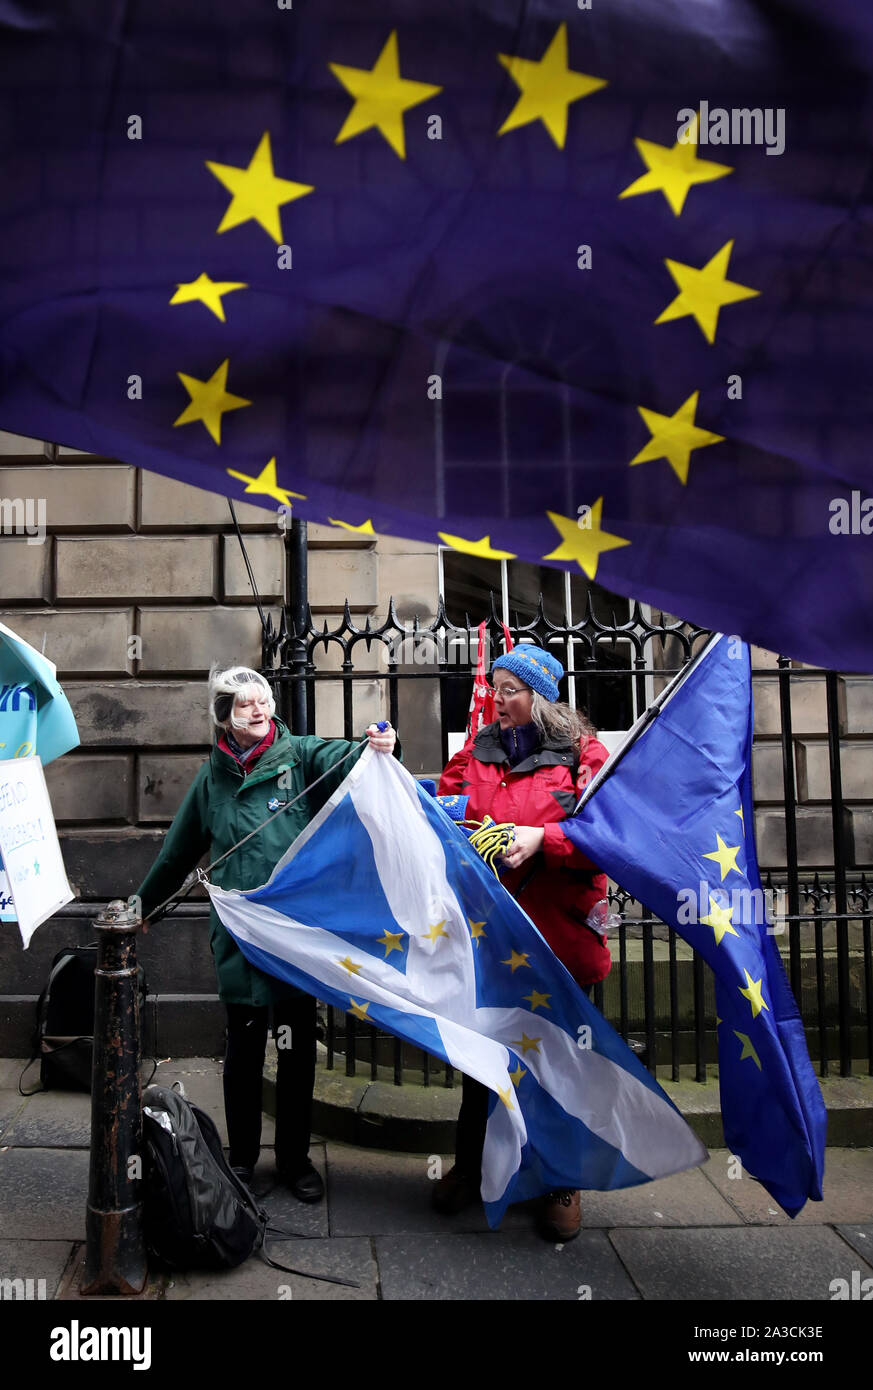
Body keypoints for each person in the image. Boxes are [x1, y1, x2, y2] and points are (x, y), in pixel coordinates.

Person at [135, 665, 396, 1201]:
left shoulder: (299, 755)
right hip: (238, 936)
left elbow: (348, 757)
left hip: (294, 934)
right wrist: (143, 907)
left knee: (298, 1051)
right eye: (244, 705)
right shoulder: (212, 779)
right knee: (244, 1051)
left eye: (263, 700)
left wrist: (382, 740)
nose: (258, 710)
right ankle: (244, 1159)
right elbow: (178, 852)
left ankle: (296, 1161)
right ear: (224, 718)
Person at [432, 643, 610, 1241]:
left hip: (558, 933)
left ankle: (561, 1182)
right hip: (492, 931)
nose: (496, 700)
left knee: (559, 1059)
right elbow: (441, 809)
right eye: (495, 689)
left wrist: (543, 839)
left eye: (509, 690)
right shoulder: (478, 751)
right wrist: (391, 765)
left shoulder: (585, 753)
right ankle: (474, 1165)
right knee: (482, 1056)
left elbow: (608, 831)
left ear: (539, 696)